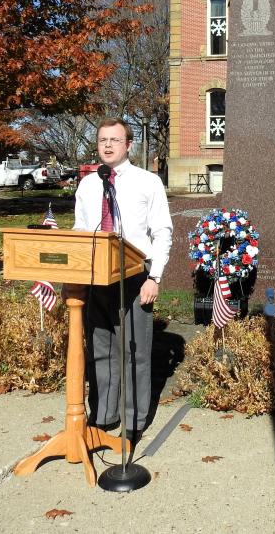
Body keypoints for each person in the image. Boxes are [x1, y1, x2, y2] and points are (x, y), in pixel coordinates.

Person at [73, 117, 172, 440]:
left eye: (115, 140)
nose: (108, 145)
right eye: (103, 140)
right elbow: (81, 230)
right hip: (96, 277)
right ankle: (103, 415)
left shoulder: (147, 182)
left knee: (134, 351)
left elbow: (162, 232)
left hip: (134, 275)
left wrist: (154, 277)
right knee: (100, 349)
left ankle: (134, 421)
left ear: (129, 145)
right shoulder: (88, 184)